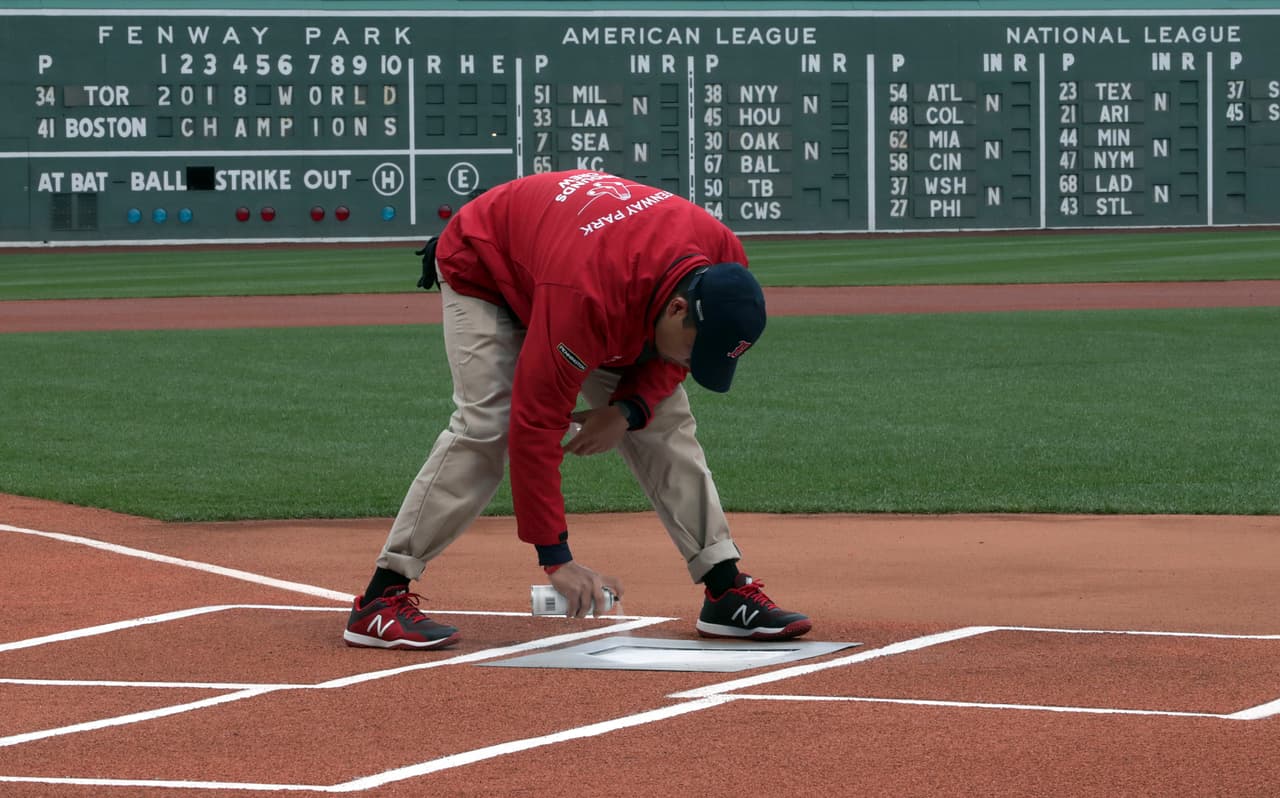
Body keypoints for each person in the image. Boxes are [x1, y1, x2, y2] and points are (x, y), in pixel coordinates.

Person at [343, 169, 811, 650]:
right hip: (486, 266)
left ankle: (725, 588)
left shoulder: (723, 264)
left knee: (664, 421)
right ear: (677, 310)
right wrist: (556, 558)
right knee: (488, 426)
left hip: (586, 273)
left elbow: (669, 364)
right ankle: (382, 597)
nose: (691, 364)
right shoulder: (588, 296)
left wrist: (628, 410)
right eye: (695, 351)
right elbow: (536, 420)